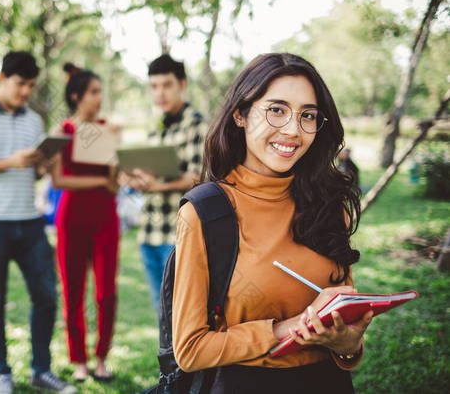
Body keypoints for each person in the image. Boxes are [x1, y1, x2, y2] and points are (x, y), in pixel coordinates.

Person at [172, 53, 373, 393]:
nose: (293, 130)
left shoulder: (329, 203)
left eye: (307, 115)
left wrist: (348, 347)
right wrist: (287, 328)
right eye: (277, 110)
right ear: (241, 115)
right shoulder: (205, 213)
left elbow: (345, 324)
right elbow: (190, 350)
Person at [0, 51, 77, 394]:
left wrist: (44, 163)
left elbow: (33, 171)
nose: (25, 92)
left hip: (29, 221)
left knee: (46, 297)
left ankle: (41, 370)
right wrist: (11, 161)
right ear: (2, 79)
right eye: (20, 84)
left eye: (31, 86)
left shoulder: (33, 122)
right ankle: (1, 374)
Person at [119, 54, 208, 313]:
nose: (160, 92)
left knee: (181, 315)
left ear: (182, 84)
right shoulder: (156, 127)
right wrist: (132, 179)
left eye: (166, 85)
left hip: (179, 235)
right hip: (148, 232)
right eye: (154, 86)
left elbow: (200, 177)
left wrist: (156, 186)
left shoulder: (198, 126)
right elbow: (152, 175)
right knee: (161, 314)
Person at [51, 62, 119, 383]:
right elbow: (60, 180)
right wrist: (99, 184)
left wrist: (117, 166)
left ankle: (102, 357)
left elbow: (113, 184)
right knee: (73, 290)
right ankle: (78, 359)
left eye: (100, 91)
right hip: (72, 219)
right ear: (77, 96)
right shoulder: (63, 132)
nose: (99, 98)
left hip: (106, 219)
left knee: (106, 293)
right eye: (93, 92)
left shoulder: (106, 129)